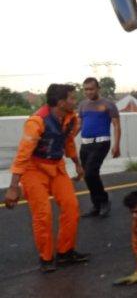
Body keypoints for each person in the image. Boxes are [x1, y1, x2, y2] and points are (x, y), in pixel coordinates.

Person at [3, 84, 90, 272]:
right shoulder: (37, 122)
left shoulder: (70, 118)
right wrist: (13, 186)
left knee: (71, 207)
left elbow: (68, 142)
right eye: (72, 98)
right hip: (33, 170)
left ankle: (66, 253)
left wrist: (77, 164)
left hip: (56, 167)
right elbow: (23, 154)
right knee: (43, 215)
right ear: (60, 102)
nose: (75, 101)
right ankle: (46, 258)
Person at [78, 77, 121, 217]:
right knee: (88, 176)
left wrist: (117, 145)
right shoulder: (82, 105)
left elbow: (116, 125)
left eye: (91, 89)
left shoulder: (108, 104)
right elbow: (78, 125)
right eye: (86, 89)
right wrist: (66, 139)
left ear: (98, 89)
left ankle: (104, 201)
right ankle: (96, 206)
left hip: (101, 143)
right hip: (85, 144)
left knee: (91, 173)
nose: (88, 92)